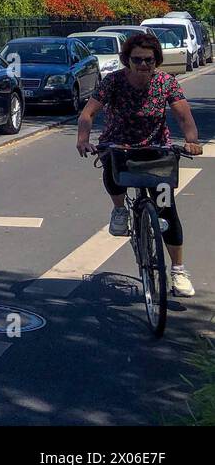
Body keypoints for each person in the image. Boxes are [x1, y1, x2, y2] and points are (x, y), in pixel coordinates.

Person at [76, 31, 202, 297]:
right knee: (109, 160)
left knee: (167, 211)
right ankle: (119, 210)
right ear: (127, 61)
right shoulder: (113, 82)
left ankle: (178, 271)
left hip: (155, 148)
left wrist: (192, 140)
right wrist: (83, 139)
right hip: (119, 145)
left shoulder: (166, 83)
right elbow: (88, 113)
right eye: (137, 60)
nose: (144, 65)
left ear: (156, 60)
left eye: (149, 60)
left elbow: (183, 115)